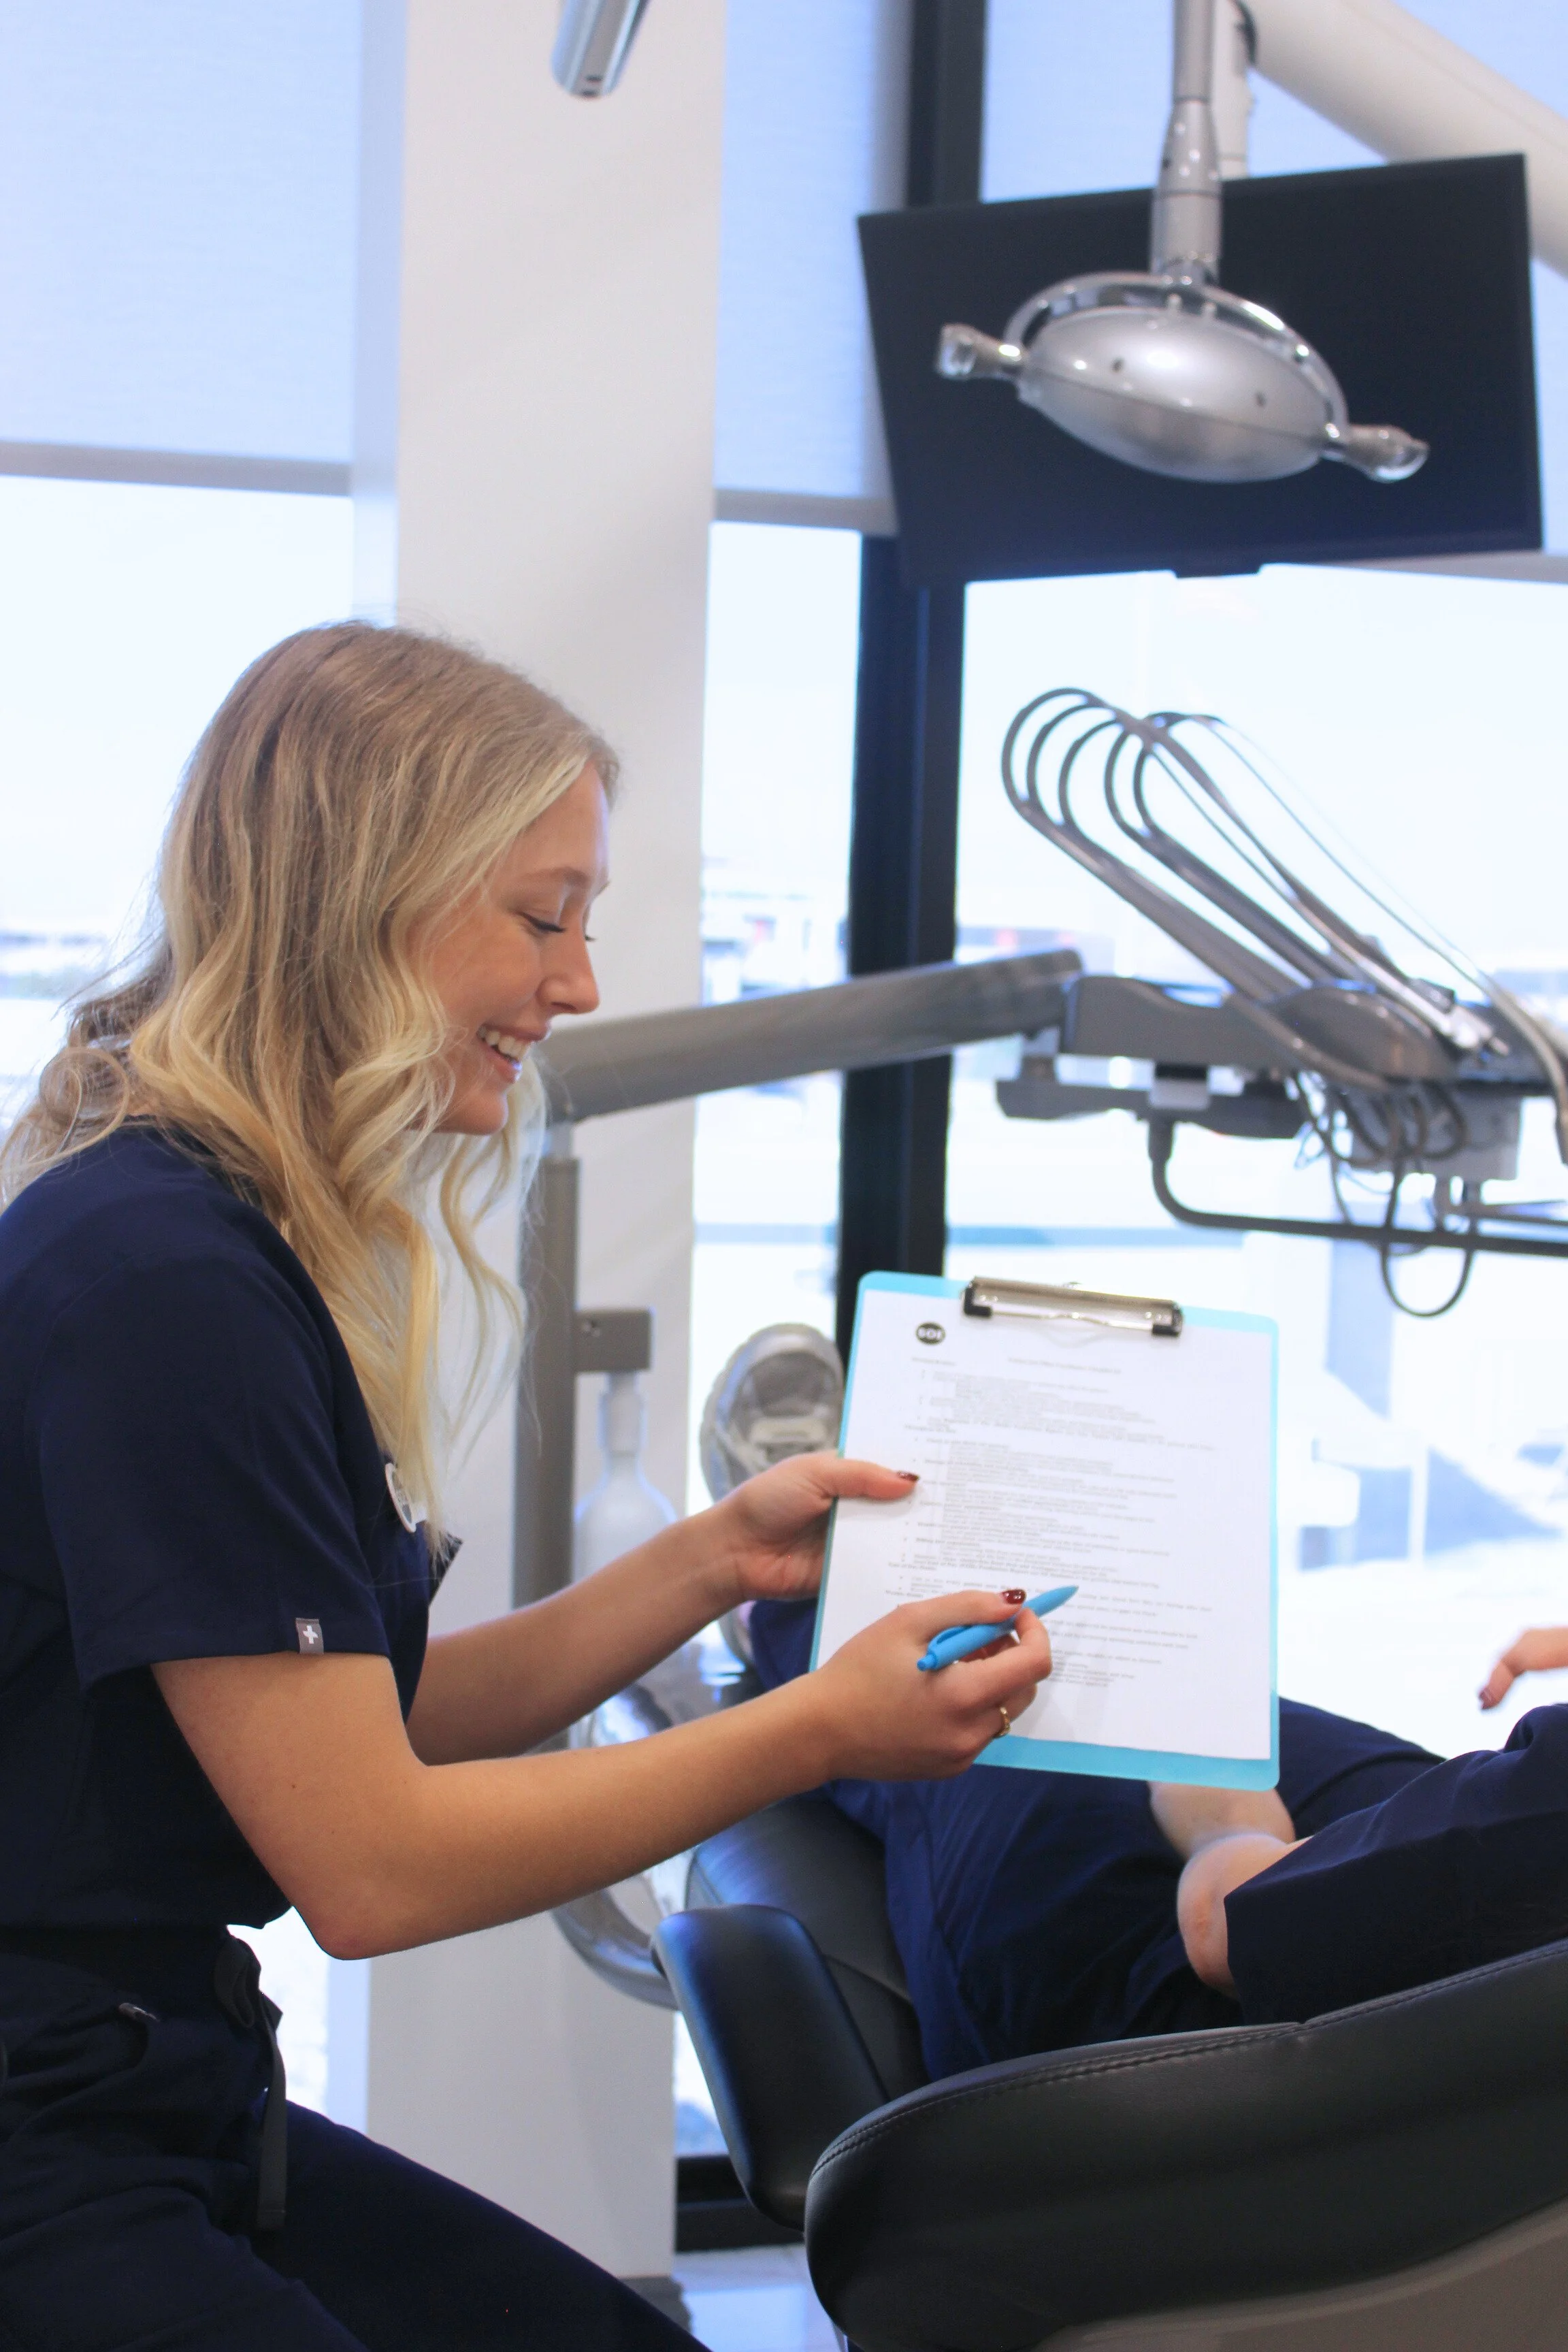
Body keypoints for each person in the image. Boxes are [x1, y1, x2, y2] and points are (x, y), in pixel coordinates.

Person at [0, 622, 1054, 2352]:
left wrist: (718, 1556)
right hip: (50, 2120)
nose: (575, 985)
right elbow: (372, 1864)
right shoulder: (163, 1285)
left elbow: (368, 1713)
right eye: (543, 914)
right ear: (367, 895)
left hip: (158, 2072)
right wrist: (815, 1730)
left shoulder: (203, 1231)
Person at [748, 1594, 1568, 2079]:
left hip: (1239, 2088)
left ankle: (795, 1609)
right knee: (1157, 1689)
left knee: (996, 1724)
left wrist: (1220, 1811)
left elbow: (1230, 1923)